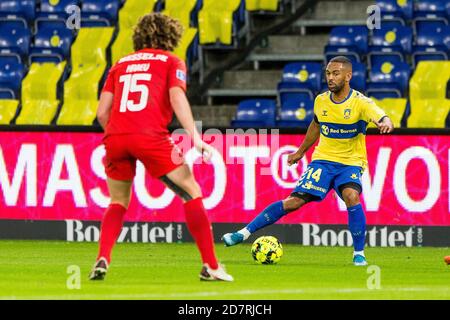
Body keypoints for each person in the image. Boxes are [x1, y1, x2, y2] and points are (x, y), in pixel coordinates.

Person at [89, 13, 233, 281]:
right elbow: (177, 96)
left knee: (118, 201)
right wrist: (195, 136)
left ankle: (102, 258)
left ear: (138, 36)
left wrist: (119, 134)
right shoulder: (171, 61)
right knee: (191, 191)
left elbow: (101, 112)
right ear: (171, 36)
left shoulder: (119, 64)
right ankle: (211, 266)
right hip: (151, 137)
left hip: (116, 136)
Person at [222, 56, 394, 266]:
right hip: (322, 160)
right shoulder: (321, 100)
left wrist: (385, 123)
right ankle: (243, 233)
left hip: (351, 162)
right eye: (328, 73)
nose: (330, 78)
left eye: (336, 73)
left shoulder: (361, 103)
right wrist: (300, 151)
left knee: (351, 196)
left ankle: (359, 253)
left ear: (348, 76)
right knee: (293, 202)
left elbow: (381, 116)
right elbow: (316, 125)